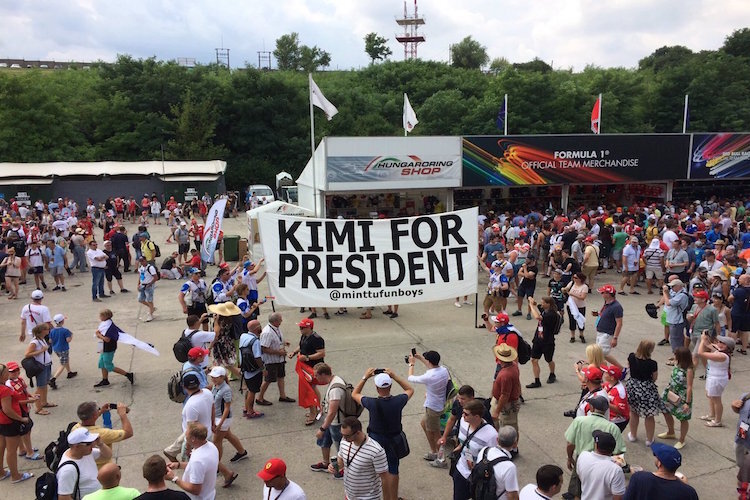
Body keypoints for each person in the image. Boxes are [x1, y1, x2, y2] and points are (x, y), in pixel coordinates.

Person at [353, 368, 414, 500]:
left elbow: (355, 393)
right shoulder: (398, 401)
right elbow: (410, 389)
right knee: (393, 468)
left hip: (376, 439)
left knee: (380, 470)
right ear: (390, 385)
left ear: (376, 388)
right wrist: (394, 376)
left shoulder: (371, 403)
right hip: (394, 438)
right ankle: (393, 498)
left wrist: (365, 377)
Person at [564, 396, 626, 500]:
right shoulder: (612, 427)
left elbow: (570, 444)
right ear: (606, 410)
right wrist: (616, 467)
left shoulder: (579, 421)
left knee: (577, 492)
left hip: (582, 461)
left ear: (591, 408)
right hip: (605, 463)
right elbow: (620, 452)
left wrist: (569, 458)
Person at [451, 399, 500, 499]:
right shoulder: (463, 422)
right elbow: (462, 441)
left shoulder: (491, 435)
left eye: (466, 414)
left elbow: (492, 458)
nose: (463, 415)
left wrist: (478, 465)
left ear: (477, 417)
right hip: (460, 470)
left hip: (477, 477)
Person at [407, 350, 450, 461]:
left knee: (435, 433)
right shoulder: (444, 370)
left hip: (432, 408)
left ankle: (439, 457)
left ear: (429, 361)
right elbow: (431, 367)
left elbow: (410, 378)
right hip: (440, 404)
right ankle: (434, 451)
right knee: (423, 424)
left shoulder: (429, 376)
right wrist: (420, 357)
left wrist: (411, 364)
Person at [333, 417, 388, 500]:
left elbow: (385, 478)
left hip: (369, 497)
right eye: (342, 434)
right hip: (349, 496)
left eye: (347, 436)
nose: (344, 438)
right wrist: (334, 466)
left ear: (358, 433)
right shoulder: (344, 441)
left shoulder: (376, 451)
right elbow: (341, 463)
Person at [165, 423, 224, 499]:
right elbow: (199, 467)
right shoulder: (210, 446)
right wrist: (178, 465)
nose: (185, 435)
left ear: (193, 439)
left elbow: (195, 490)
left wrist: (174, 478)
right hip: (209, 494)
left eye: (186, 434)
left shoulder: (198, 461)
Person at [623, 443, 698, 499]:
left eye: (656, 456)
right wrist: (682, 484)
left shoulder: (639, 478)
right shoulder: (689, 492)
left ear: (659, 463)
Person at [626, 339, 666, 445]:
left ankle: (633, 435)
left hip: (633, 386)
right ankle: (649, 439)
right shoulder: (652, 363)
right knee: (649, 415)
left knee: (634, 412)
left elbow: (628, 368)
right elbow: (654, 378)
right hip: (646, 389)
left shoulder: (631, 357)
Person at [0, 363, 35, 484]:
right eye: (6, 373)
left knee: (1, 447)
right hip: (9, 422)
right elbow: (7, 409)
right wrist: (21, 419)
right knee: (11, 450)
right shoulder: (4, 389)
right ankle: (16, 475)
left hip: (1, 421)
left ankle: (1, 472)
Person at [310, 362, 346, 478]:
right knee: (324, 441)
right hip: (331, 421)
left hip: (336, 422)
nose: (315, 378)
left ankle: (343, 468)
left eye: (316, 375)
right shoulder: (335, 380)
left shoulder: (335, 389)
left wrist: (322, 428)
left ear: (323, 374)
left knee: (340, 447)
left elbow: (332, 412)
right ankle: (326, 463)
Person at [56, 428, 113, 500]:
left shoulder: (85, 452)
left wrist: (100, 444)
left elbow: (107, 456)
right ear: (76, 446)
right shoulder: (68, 470)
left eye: (92, 441)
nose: (93, 445)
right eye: (88, 443)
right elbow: (63, 498)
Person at [73, 401, 134, 468]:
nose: (99, 410)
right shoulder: (102, 434)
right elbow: (129, 432)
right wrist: (123, 415)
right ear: (94, 415)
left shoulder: (75, 428)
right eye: (98, 409)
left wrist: (100, 412)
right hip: (102, 469)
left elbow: (88, 420)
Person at [288, 317, 326, 425]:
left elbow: (321, 353)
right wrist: (294, 352)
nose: (300, 329)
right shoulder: (304, 335)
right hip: (305, 367)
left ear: (309, 328)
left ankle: (313, 413)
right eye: (300, 327)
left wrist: (307, 357)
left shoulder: (317, 338)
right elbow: (301, 346)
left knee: (308, 390)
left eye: (302, 327)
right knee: (312, 388)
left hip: (312, 368)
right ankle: (318, 407)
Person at [209, 366, 248, 464]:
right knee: (228, 435)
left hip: (223, 419)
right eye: (212, 377)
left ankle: (216, 466)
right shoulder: (215, 385)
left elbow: (227, 408)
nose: (213, 379)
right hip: (219, 417)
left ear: (222, 377)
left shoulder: (226, 390)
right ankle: (242, 452)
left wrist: (220, 424)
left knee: (217, 442)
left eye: (216, 377)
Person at [256, 312, 296, 406]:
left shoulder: (275, 328)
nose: (282, 321)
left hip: (279, 360)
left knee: (281, 377)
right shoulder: (267, 332)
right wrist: (279, 352)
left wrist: (283, 342)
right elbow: (264, 348)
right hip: (271, 361)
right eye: (280, 320)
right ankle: (259, 398)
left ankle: (283, 396)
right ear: (275, 321)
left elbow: (275, 339)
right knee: (268, 380)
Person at [696, 333, 734, 427]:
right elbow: (708, 345)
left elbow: (701, 353)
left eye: (723, 343)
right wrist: (705, 338)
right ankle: (712, 415)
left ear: (728, 347)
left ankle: (717, 421)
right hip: (712, 377)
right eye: (719, 342)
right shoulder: (719, 350)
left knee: (716, 399)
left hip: (717, 379)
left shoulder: (722, 356)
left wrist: (702, 340)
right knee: (710, 396)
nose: (719, 344)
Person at [490, 344, 522, 457]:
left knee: (508, 427)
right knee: (509, 426)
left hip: (507, 405)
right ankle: (511, 447)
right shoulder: (513, 366)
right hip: (509, 402)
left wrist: (497, 411)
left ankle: (512, 449)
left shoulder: (505, 374)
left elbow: (505, 395)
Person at [476, 425, 521, 500]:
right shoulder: (509, 467)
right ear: (515, 444)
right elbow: (512, 495)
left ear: (497, 439)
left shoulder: (484, 451)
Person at [94, 309, 135, 387]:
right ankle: (105, 380)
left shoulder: (109, 327)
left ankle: (128, 375)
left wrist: (98, 334)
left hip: (108, 348)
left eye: (101, 316)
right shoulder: (105, 324)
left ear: (105, 316)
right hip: (103, 346)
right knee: (101, 363)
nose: (99, 317)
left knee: (108, 365)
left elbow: (107, 339)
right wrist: (99, 335)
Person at [526, 296, 560, 388]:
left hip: (547, 341)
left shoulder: (551, 315)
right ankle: (537, 381)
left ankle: (552, 373)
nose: (542, 304)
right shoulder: (545, 310)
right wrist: (531, 300)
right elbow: (537, 305)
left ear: (549, 304)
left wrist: (531, 306)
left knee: (549, 359)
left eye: (544, 303)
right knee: (534, 359)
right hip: (538, 339)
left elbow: (537, 316)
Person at [24, 323, 55, 414]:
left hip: (46, 365)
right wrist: (41, 350)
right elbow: (27, 354)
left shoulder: (41, 339)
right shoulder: (35, 342)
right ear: (42, 331)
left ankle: (44, 402)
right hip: (41, 367)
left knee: (44, 385)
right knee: (40, 387)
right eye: (47, 329)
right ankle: (38, 408)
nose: (48, 330)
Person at [239, 320, 265, 419]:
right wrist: (263, 369)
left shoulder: (243, 336)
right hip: (254, 370)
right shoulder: (255, 341)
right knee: (252, 391)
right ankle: (250, 411)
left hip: (245, 368)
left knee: (249, 389)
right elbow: (257, 357)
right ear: (257, 329)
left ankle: (246, 408)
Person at [594, 284, 624, 368]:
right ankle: (620, 369)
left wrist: (615, 338)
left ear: (608, 294)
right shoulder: (607, 303)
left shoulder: (617, 307)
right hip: (600, 332)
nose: (601, 294)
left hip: (607, 334)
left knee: (601, 354)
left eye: (603, 292)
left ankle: (604, 370)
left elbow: (619, 323)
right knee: (602, 354)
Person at [48, 313, 77, 389]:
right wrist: (71, 336)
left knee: (65, 359)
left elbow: (50, 341)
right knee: (63, 364)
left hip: (56, 349)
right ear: (62, 321)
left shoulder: (52, 331)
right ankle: (53, 379)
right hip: (63, 349)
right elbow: (68, 340)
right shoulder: (65, 331)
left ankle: (69, 372)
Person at [663, 278, 689, 355]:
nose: (672, 288)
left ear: (679, 286)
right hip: (673, 319)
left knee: (675, 340)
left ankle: (677, 357)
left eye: (673, 286)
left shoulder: (682, 295)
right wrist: (667, 293)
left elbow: (668, 302)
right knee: (676, 339)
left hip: (677, 320)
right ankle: (677, 356)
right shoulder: (677, 293)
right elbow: (670, 298)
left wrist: (664, 293)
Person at [602, 364, 629, 432]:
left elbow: (620, 410)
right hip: (608, 418)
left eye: (607, 373)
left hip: (617, 422)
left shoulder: (620, 392)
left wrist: (604, 402)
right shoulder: (608, 384)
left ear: (612, 378)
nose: (604, 374)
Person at [564, 273, 589, 344]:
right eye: (573, 277)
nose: (574, 279)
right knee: (571, 320)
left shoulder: (584, 287)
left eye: (576, 278)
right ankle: (572, 336)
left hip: (580, 306)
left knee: (580, 320)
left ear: (580, 279)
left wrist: (573, 294)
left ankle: (581, 334)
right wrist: (564, 289)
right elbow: (566, 288)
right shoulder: (572, 283)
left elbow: (583, 297)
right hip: (571, 306)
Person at [729, 273, 750, 355]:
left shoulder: (739, 290)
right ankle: (744, 349)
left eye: (740, 279)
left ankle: (731, 350)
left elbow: (730, 298)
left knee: (733, 330)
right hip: (747, 314)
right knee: (745, 331)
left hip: (737, 313)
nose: (738, 280)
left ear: (746, 281)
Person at [136, 256, 159, 322]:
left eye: (143, 260)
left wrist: (150, 284)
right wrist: (138, 284)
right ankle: (152, 308)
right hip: (142, 284)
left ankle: (151, 314)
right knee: (140, 299)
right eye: (140, 261)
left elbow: (155, 277)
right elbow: (140, 276)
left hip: (149, 285)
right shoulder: (141, 268)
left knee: (149, 300)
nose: (142, 262)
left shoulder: (150, 268)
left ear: (145, 260)